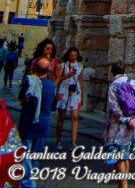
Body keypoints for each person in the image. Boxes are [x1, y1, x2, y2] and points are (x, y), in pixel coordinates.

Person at [104, 62, 135, 188]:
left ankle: (123, 185)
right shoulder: (134, 83)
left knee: (118, 157)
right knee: (126, 156)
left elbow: (114, 107)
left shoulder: (113, 85)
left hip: (118, 127)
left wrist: (125, 120)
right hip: (133, 125)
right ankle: (124, 184)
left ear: (113, 72)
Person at [17, 57, 56, 188]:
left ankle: (27, 182)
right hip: (43, 123)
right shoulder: (51, 86)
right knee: (37, 154)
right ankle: (34, 178)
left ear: (35, 68)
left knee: (25, 155)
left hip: (28, 123)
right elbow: (53, 106)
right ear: (49, 70)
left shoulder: (29, 81)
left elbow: (21, 100)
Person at [54, 47, 83, 149]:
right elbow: (57, 79)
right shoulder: (62, 65)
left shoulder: (79, 65)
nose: (73, 57)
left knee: (75, 117)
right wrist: (67, 75)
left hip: (75, 92)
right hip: (64, 91)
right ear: (68, 56)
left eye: (75, 55)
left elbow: (80, 79)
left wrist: (81, 95)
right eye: (71, 55)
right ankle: (58, 141)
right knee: (61, 118)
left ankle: (73, 142)